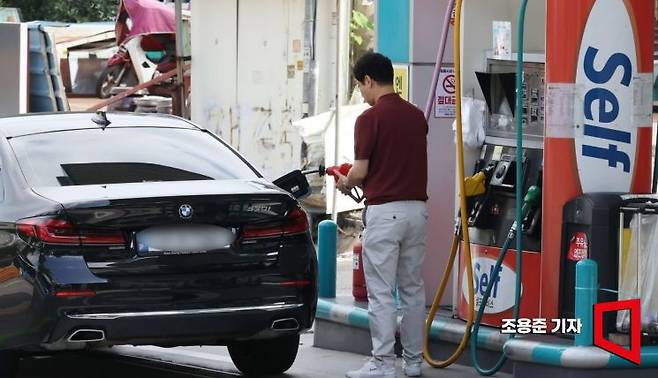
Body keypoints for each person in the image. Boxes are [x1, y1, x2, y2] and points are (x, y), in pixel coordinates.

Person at [337, 52, 429, 378]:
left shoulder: (369, 118)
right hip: (417, 212)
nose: (361, 94)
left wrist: (346, 181)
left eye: (360, 87)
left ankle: (383, 364)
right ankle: (415, 363)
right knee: (413, 291)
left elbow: (360, 171)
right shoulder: (416, 116)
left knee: (381, 294)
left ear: (369, 80)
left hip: (385, 214)